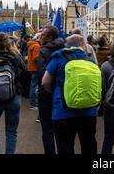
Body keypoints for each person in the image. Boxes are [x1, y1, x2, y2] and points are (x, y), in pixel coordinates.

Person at [42, 34, 99, 154]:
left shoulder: (58, 58)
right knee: (88, 146)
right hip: (88, 111)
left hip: (63, 111)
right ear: (82, 45)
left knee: (65, 147)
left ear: (66, 45)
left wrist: (57, 92)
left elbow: (45, 82)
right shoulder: (90, 59)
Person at [37, 26, 64, 154]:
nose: (41, 37)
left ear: (50, 38)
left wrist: (48, 89)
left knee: (47, 129)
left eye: (43, 35)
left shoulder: (44, 50)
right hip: (61, 92)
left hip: (46, 94)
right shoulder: (64, 48)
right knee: (60, 128)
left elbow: (42, 74)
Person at [27, 34, 41, 110]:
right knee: (34, 86)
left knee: (33, 85)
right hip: (35, 68)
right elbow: (36, 58)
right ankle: (33, 104)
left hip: (32, 67)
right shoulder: (37, 46)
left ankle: (33, 103)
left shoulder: (31, 45)